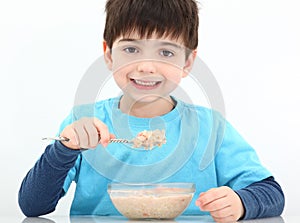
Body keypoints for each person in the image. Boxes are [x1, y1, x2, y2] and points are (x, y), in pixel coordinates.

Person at [18, 0, 285, 222]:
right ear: (109, 54)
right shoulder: (85, 123)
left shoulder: (209, 127)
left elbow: (271, 193)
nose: (146, 66)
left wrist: (241, 202)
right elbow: (33, 206)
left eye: (166, 53)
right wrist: (64, 149)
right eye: (131, 49)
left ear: (188, 62)